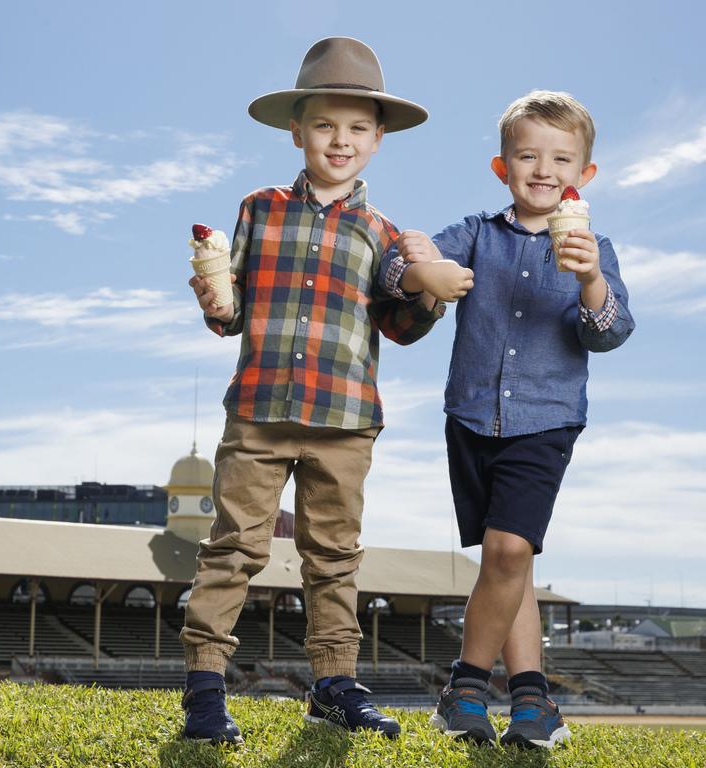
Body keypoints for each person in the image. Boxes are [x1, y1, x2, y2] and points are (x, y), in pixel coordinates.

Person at [179, 36, 472, 744]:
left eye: (358, 128)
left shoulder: (385, 234)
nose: (340, 140)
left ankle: (333, 685)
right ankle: (204, 690)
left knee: (334, 557)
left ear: (377, 139)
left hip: (345, 418)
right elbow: (233, 311)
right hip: (258, 408)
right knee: (233, 548)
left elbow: (400, 325)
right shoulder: (258, 208)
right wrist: (214, 297)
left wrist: (431, 293)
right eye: (325, 125)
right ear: (297, 129)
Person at [381, 90, 635, 749]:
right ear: (503, 168)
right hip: (470, 420)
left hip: (545, 422)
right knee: (506, 564)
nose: (544, 169)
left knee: (508, 549)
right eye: (528, 155)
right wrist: (422, 275)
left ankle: (464, 688)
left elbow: (610, 332)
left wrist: (589, 283)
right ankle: (533, 703)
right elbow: (398, 270)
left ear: (586, 176)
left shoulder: (595, 249)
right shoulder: (477, 235)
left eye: (561, 158)